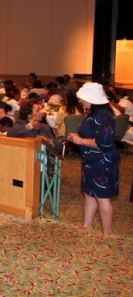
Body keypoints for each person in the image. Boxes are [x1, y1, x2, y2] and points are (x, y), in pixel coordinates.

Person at [67, 82, 120, 234]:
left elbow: (105, 143)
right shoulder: (95, 113)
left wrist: (80, 141)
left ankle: (107, 233)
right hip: (91, 160)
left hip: (103, 161)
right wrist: (79, 137)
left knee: (102, 197)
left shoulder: (103, 116)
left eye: (82, 98)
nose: (80, 101)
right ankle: (87, 225)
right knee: (89, 193)